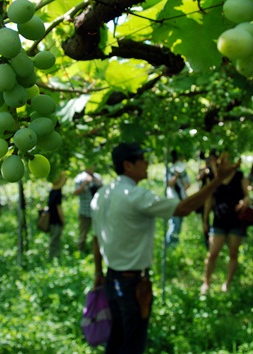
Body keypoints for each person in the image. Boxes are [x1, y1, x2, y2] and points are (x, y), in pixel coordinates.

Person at [91, 142, 238, 353]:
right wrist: (216, 181)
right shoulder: (135, 196)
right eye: (142, 159)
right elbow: (183, 208)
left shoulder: (102, 194)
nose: (147, 164)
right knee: (132, 343)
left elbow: (97, 238)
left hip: (112, 278)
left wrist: (98, 272)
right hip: (132, 284)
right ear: (128, 165)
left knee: (117, 339)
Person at [202, 155, 250, 294]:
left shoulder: (240, 176)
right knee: (212, 253)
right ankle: (206, 282)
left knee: (233, 253)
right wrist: (205, 220)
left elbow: (248, 194)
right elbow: (208, 200)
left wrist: (245, 201)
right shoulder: (215, 178)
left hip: (236, 220)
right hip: (219, 219)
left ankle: (227, 284)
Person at [165, 150, 191, 247]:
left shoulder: (182, 171)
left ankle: (174, 246)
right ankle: (168, 245)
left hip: (181, 200)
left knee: (179, 225)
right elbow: (169, 185)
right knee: (174, 224)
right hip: (172, 201)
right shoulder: (168, 170)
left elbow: (188, 184)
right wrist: (176, 175)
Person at [73, 166, 103, 253]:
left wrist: (99, 184)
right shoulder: (80, 178)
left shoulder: (97, 177)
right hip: (85, 211)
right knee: (83, 233)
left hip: (97, 211)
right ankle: (80, 250)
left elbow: (103, 190)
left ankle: (98, 250)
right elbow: (76, 192)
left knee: (99, 232)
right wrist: (85, 183)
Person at [196, 150, 218, 249]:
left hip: (215, 197)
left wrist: (213, 167)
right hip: (205, 198)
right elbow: (198, 178)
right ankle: (207, 240)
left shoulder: (216, 169)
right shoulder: (203, 169)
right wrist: (204, 171)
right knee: (205, 219)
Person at [47, 171, 67, 260]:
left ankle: (53, 257)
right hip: (56, 220)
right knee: (55, 240)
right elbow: (59, 209)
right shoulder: (58, 192)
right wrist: (63, 220)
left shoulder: (52, 191)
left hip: (52, 219)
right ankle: (53, 257)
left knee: (54, 239)